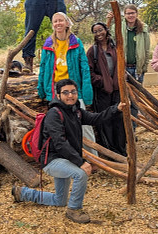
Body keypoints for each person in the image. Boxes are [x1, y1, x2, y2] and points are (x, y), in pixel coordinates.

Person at [12, 79, 125, 224]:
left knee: (59, 200)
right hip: (52, 161)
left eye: (73, 92)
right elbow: (60, 143)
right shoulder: (54, 114)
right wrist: (81, 162)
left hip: (66, 160)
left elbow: (96, 119)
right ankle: (74, 210)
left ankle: (23, 193)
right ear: (58, 95)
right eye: (65, 92)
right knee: (80, 174)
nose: (70, 95)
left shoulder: (76, 111)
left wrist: (116, 109)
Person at [37, 12, 97, 156]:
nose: (58, 24)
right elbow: (43, 67)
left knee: (84, 123)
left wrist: (87, 91)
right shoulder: (48, 43)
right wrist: (41, 89)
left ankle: (94, 157)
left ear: (67, 23)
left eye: (60, 21)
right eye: (55, 21)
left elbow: (84, 67)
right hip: (56, 90)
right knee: (60, 126)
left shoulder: (76, 42)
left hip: (73, 89)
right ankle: (70, 157)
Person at [86, 22, 126, 156]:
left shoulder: (115, 48)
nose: (98, 33)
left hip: (117, 90)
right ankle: (110, 152)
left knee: (119, 120)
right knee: (105, 120)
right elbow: (89, 72)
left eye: (100, 30)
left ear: (106, 30)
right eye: (95, 31)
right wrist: (102, 81)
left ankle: (121, 149)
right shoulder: (93, 51)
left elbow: (121, 66)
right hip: (102, 92)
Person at [107, 4, 151, 83]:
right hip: (123, 68)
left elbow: (147, 49)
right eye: (128, 13)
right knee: (123, 94)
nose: (131, 15)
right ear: (124, 15)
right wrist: (108, 21)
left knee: (138, 93)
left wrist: (144, 67)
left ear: (136, 14)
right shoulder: (117, 27)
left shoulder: (143, 28)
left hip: (138, 69)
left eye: (133, 13)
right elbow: (108, 40)